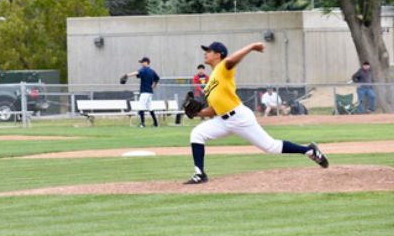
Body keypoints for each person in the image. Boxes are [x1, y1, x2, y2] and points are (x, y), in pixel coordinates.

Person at [184, 41, 328, 184]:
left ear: (218, 54)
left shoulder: (223, 68)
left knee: (271, 147)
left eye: (208, 51)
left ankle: (309, 150)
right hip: (223, 120)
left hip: (239, 117)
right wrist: (197, 113)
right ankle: (200, 174)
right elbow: (214, 109)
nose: (205, 53)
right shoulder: (210, 82)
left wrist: (251, 47)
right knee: (197, 134)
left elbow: (232, 60)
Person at [121, 57, 160, 127]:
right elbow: (157, 78)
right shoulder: (152, 71)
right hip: (150, 92)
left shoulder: (144, 70)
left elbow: (137, 72)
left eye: (142, 62)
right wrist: (154, 85)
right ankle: (156, 123)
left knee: (141, 106)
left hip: (144, 91)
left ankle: (142, 123)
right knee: (149, 107)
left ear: (146, 62)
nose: (141, 63)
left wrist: (127, 75)